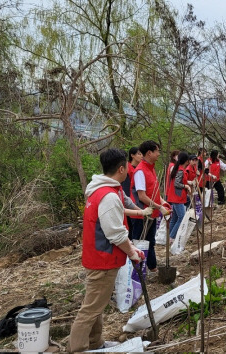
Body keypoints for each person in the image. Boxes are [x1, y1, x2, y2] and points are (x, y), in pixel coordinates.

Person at [68, 148, 147, 352]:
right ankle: (76, 349)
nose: (130, 169)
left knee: (96, 306)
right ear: (121, 168)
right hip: (102, 260)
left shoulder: (101, 189)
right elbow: (116, 234)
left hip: (97, 257)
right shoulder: (108, 196)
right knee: (90, 310)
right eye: (127, 166)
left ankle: (95, 344)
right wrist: (132, 252)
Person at [130, 140, 170, 272]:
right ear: (149, 153)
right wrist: (159, 207)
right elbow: (142, 196)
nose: (159, 154)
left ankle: (152, 267)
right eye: (157, 151)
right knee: (139, 242)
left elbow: (153, 192)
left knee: (150, 242)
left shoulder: (151, 169)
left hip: (151, 214)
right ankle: (136, 272)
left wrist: (162, 201)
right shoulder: (140, 171)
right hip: (142, 214)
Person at [167, 152, 192, 241]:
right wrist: (186, 186)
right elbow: (177, 183)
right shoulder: (180, 170)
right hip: (177, 197)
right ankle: (172, 237)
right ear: (186, 161)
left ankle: (169, 236)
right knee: (182, 217)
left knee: (175, 217)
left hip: (176, 196)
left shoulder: (178, 169)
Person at [121, 147, 143, 235]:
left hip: (135, 204)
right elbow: (126, 190)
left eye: (141, 154)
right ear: (132, 155)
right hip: (131, 203)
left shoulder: (139, 169)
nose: (141, 156)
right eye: (139, 154)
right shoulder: (128, 170)